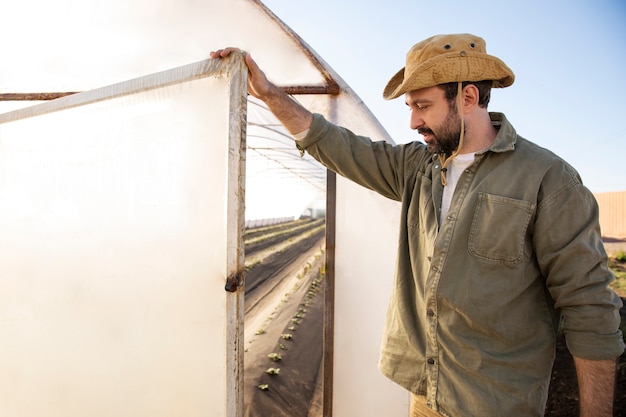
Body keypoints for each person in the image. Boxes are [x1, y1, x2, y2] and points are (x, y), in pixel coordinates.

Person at [211, 33, 625, 417]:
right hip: (425, 394)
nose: (412, 122)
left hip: (494, 403)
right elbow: (333, 143)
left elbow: (589, 309)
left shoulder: (547, 180)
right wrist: (267, 93)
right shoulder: (416, 168)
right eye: (410, 107)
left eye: (422, 106)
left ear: (467, 98)